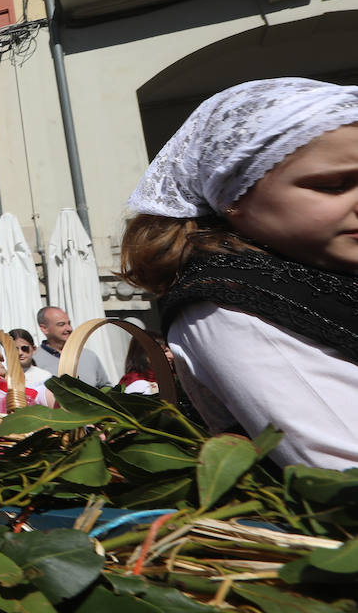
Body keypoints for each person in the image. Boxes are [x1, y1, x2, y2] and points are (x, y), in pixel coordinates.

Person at [120, 77, 358, 470]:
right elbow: (341, 471)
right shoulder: (230, 306)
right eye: (332, 185)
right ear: (234, 197)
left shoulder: (322, 273)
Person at [32, 305, 110, 386]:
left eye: (69, 323)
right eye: (61, 324)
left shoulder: (89, 356)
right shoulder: (34, 360)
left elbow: (106, 387)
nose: (69, 328)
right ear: (44, 328)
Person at [0, 340, 53, 412]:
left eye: (24, 348)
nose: (20, 353)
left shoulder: (44, 374)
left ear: (34, 349)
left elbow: (38, 396)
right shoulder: (2, 375)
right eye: (15, 349)